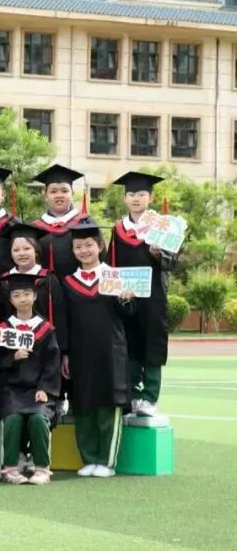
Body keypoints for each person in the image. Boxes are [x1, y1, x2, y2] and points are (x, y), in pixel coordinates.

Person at [63, 221, 135, 478]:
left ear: (100, 246)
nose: (84, 250)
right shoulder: (68, 282)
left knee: (108, 404)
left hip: (110, 350)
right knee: (83, 405)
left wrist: (126, 300)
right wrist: (65, 353)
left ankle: (106, 460)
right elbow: (65, 321)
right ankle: (89, 458)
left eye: (89, 245)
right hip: (81, 352)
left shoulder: (114, 277)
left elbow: (128, 315)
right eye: (78, 246)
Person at [109, 171, 173, 418]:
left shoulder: (162, 226)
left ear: (151, 197)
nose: (136, 199)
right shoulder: (118, 229)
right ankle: (133, 395)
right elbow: (111, 263)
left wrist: (160, 254)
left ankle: (150, 397)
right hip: (128, 296)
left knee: (153, 344)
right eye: (131, 194)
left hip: (155, 296)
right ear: (125, 198)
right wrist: (115, 291)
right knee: (130, 343)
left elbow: (173, 260)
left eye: (141, 194)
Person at [0, 273, 62, 485]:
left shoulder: (45, 329)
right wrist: (12, 358)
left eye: (26, 294)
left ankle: (42, 468)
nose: (22, 299)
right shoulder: (3, 329)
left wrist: (45, 388)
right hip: (11, 390)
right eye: (17, 295)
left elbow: (52, 363)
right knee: (13, 418)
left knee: (38, 418)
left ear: (34, 296)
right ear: (10, 300)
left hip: (37, 390)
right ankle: (10, 468)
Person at [0, 223, 66, 352]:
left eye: (27, 248)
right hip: (14, 347)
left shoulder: (49, 279)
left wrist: (63, 350)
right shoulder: (5, 281)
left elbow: (59, 315)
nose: (21, 253)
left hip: (47, 345)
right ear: (11, 254)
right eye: (16, 250)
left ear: (36, 251)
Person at [30, 165, 88, 278]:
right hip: (44, 285)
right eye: (53, 191)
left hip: (80, 285)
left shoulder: (85, 223)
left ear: (72, 194)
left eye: (65, 191)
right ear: (45, 195)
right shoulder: (35, 228)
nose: (59, 195)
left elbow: (100, 259)